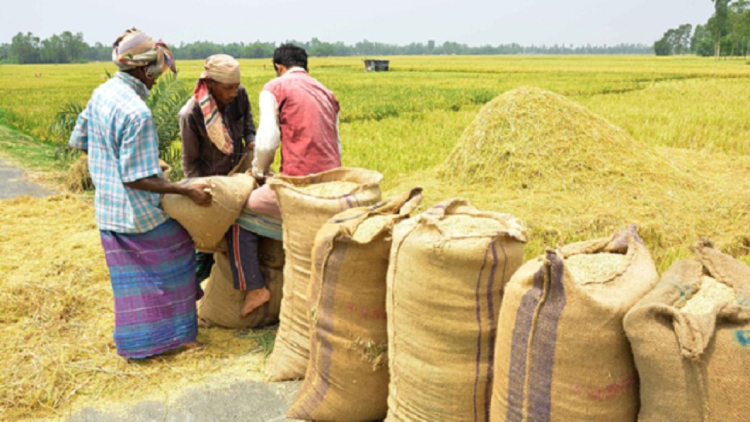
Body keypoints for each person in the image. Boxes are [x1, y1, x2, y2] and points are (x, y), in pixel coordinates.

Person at [69, 28, 212, 359]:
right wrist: (184, 189)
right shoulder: (137, 112)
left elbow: (80, 139)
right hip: (136, 214)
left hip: (108, 209)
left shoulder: (103, 93)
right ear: (139, 69)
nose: (156, 80)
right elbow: (136, 179)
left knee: (131, 282)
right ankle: (181, 337)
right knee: (179, 251)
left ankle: (140, 343)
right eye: (154, 73)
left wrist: (115, 158)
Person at [232, 44, 342, 317]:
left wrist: (258, 172)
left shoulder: (275, 87)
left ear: (279, 68)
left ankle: (255, 288)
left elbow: (268, 141)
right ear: (306, 67)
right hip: (331, 184)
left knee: (238, 212)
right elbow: (336, 145)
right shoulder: (327, 93)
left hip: (299, 185)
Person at [179, 54, 256, 283]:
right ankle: (190, 293)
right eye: (227, 88)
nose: (233, 93)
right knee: (207, 247)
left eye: (236, 87)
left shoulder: (239, 96)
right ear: (210, 84)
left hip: (238, 179)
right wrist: (201, 192)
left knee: (240, 237)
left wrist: (252, 141)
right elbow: (190, 164)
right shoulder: (191, 114)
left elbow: (249, 125)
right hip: (212, 186)